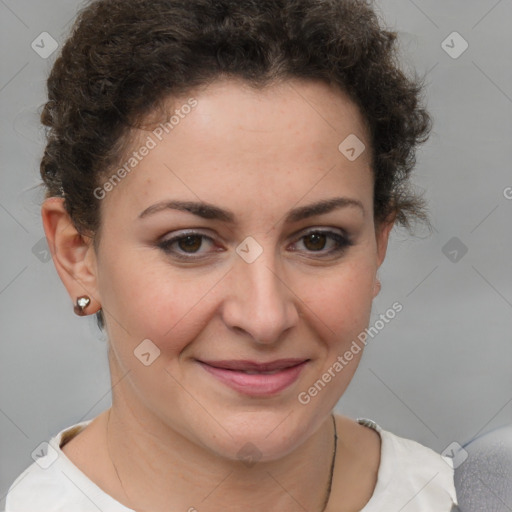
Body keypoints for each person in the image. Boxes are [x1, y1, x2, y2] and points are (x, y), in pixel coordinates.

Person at [5, 0, 459, 510]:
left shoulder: (463, 495)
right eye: (191, 242)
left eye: (317, 240)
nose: (264, 318)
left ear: (379, 244)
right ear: (76, 256)